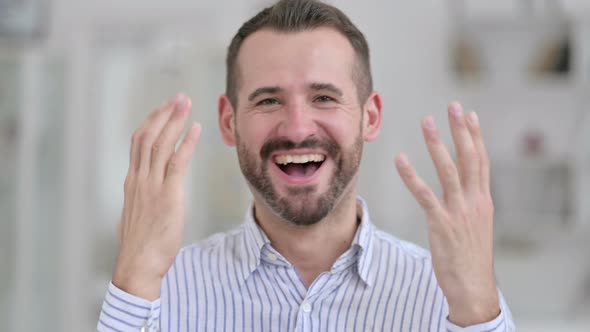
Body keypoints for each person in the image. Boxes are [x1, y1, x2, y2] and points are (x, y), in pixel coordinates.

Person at [97, 0, 515, 331]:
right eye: (268, 100)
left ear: (370, 117)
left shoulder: (447, 293)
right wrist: (134, 281)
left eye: (324, 98)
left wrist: (477, 306)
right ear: (229, 121)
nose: (297, 128)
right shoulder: (161, 288)